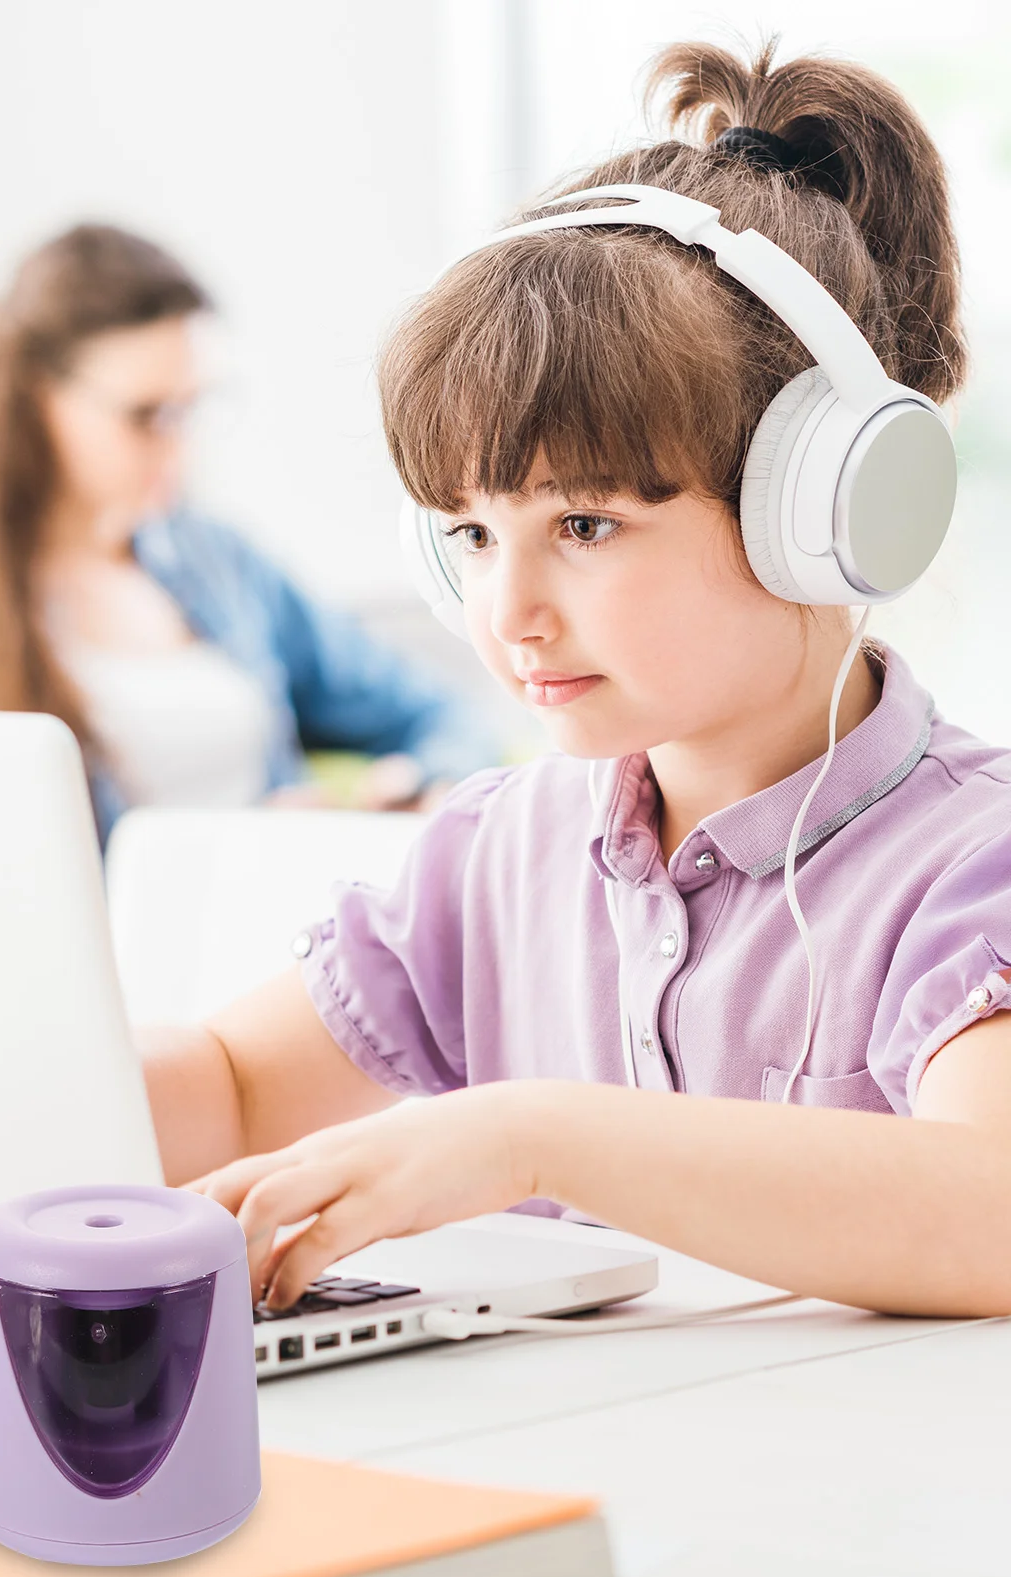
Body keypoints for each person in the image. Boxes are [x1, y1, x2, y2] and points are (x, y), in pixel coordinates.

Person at [142, 41, 1011, 1320]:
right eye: (474, 536)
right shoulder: (502, 853)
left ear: (821, 510)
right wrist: (2, 1084)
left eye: (585, 527)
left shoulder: (966, 863)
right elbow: (224, 1082)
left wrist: (535, 1136)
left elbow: (984, 1211)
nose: (507, 613)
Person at [0, 225, 497, 843]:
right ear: (34, 401)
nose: (177, 450)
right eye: (145, 416)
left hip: (279, 935)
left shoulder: (218, 562)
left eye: (190, 410)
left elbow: (442, 714)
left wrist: (417, 785)